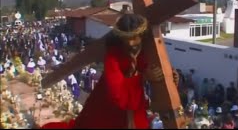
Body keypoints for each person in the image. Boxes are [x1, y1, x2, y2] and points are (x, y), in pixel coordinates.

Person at [41, 14, 179, 129]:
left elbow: (156, 73)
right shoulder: (113, 57)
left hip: (135, 111)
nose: (131, 45)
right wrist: (143, 78)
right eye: (127, 41)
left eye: (135, 41)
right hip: (107, 108)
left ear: (141, 36)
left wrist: (169, 78)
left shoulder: (145, 54)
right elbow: (117, 93)